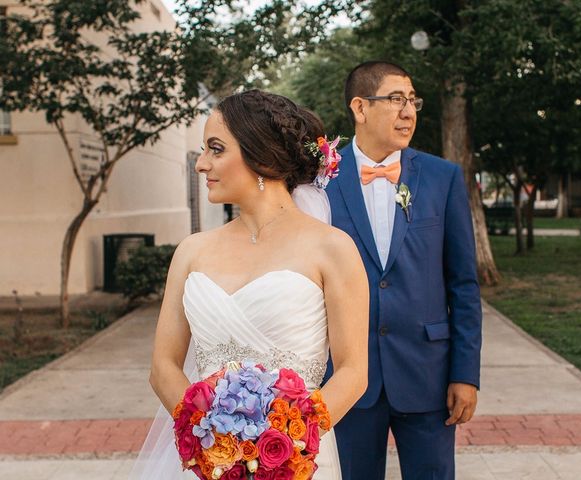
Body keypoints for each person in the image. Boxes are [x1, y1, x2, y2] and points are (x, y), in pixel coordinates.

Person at [130, 90, 369, 479]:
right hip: (208, 465)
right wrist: (211, 443)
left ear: (260, 156)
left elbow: (353, 372)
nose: (201, 165)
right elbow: (163, 367)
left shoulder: (332, 249)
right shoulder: (192, 251)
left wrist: (288, 445)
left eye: (216, 149)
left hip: (297, 463)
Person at [324, 61, 482, 480]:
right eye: (396, 99)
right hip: (345, 380)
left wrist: (466, 374)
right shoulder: (318, 181)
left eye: (413, 101)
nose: (408, 111)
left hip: (428, 374)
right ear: (359, 107)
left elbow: (463, 284)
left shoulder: (442, 178)